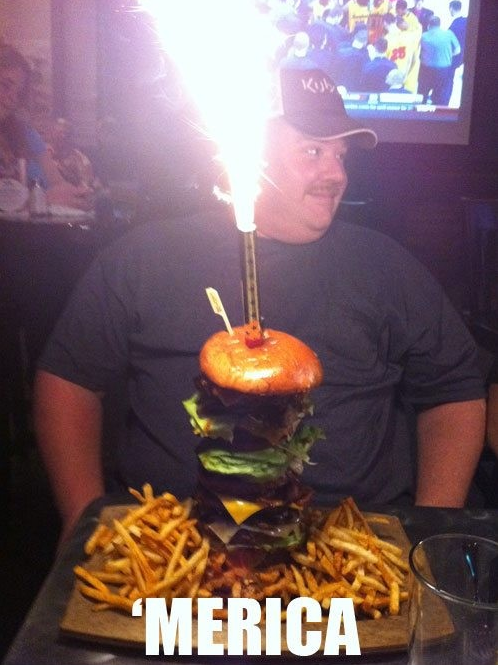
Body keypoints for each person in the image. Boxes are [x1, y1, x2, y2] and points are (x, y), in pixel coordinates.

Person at [33, 67, 486, 545]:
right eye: (313, 151)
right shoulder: (144, 256)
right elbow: (68, 380)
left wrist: (434, 528)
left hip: (349, 544)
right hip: (168, 540)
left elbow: (454, 391)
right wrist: (81, 518)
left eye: (341, 154)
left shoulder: (386, 264)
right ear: (250, 155)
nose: (336, 174)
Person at [0, 44, 94, 211]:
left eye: (18, 93)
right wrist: (41, 201)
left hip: (39, 231)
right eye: (5, 86)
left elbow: (59, 185)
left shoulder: (25, 134)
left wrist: (79, 194)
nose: (12, 99)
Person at [419, 15, 461, 105]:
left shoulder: (424, 36)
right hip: (444, 70)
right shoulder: (449, 34)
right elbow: (458, 50)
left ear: (429, 25)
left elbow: (419, 50)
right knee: (440, 94)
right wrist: (449, 55)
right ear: (439, 24)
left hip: (426, 70)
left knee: (423, 93)